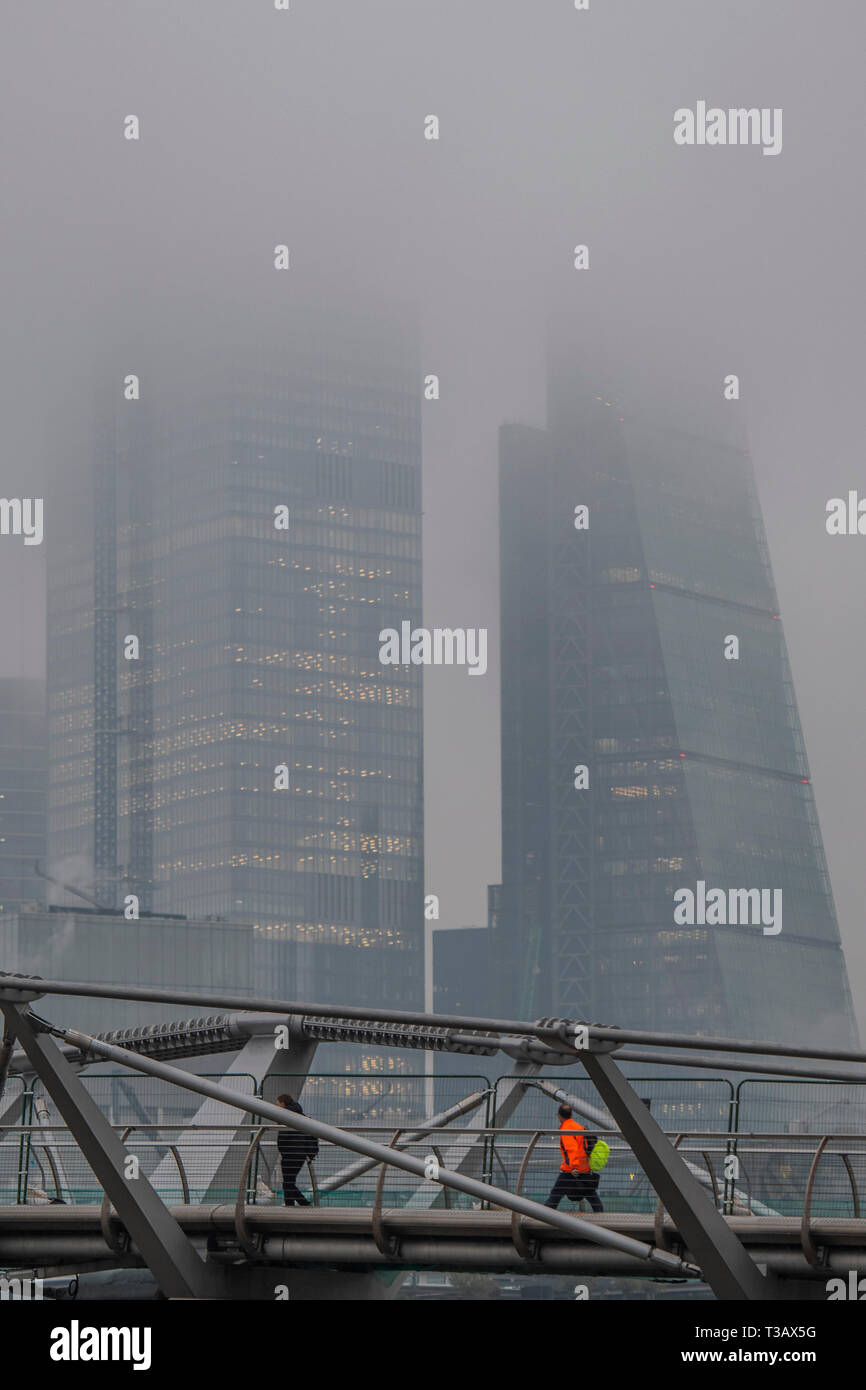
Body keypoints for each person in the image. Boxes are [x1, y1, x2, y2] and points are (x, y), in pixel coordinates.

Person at [545, 1104, 604, 1213]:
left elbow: (571, 1150)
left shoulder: (566, 1129)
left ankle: (545, 1215)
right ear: (571, 1115)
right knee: (591, 1193)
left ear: (559, 1116)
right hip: (584, 1168)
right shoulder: (579, 1127)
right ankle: (601, 1215)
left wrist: (573, 1167)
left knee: (556, 1193)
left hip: (571, 1170)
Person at [275, 1093, 315, 1206]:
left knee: (288, 1182)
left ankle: (300, 1204)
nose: (276, 1107)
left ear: (283, 1103)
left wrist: (282, 1151)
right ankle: (296, 1203)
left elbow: (283, 1137)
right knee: (289, 1182)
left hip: (290, 1154)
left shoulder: (287, 1117)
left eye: (277, 1104)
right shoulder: (300, 1115)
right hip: (301, 1154)